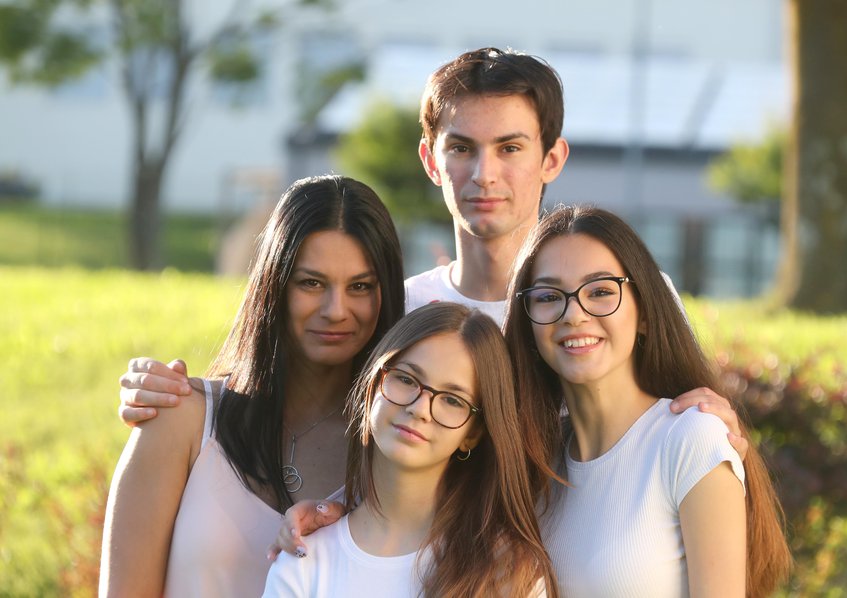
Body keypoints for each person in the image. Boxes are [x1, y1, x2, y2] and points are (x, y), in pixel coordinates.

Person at [117, 48, 747, 457]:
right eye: (462, 148)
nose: (484, 174)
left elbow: (696, 433)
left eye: (510, 148)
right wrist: (187, 393)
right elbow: (293, 401)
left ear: (552, 158)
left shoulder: (622, 295)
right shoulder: (400, 308)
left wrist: (729, 432)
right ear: (430, 160)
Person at [98, 175, 405, 596]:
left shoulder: (395, 455)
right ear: (274, 286)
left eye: (360, 287)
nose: (337, 310)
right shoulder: (181, 421)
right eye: (311, 283)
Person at [503, 205, 791, 597]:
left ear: (644, 314)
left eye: (601, 291)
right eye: (549, 296)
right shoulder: (533, 461)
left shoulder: (691, 438)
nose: (573, 314)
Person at [263, 302, 555, 596]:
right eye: (406, 379)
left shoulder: (507, 573)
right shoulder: (304, 559)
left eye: (452, 400)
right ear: (373, 383)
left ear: (473, 434)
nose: (420, 409)